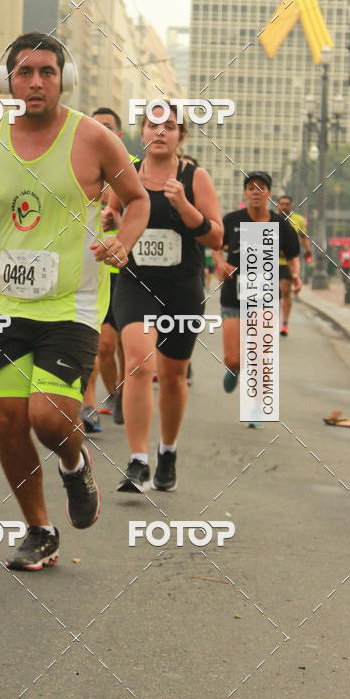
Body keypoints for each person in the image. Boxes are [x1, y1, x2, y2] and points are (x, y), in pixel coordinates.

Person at [0, 32, 149, 571]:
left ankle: (74, 466)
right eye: (24, 72)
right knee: (9, 422)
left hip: (69, 305)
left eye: (47, 72)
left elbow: (138, 199)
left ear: (63, 79)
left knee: (49, 420)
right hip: (3, 303)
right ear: (7, 81)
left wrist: (124, 239)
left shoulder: (94, 138)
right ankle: (39, 529)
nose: (35, 82)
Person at [106, 103, 223, 493]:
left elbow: (216, 237)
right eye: (153, 125)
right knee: (139, 363)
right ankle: (138, 460)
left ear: (180, 136)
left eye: (169, 126)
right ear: (142, 132)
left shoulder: (195, 177)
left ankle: (167, 451)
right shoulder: (126, 175)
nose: (160, 132)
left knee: (173, 378)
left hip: (182, 287)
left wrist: (184, 206)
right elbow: (111, 215)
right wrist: (111, 224)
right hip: (135, 283)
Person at [214, 173, 301, 403]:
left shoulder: (280, 224)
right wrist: (221, 264)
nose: (256, 192)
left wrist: (295, 275)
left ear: (269, 194)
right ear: (245, 194)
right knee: (233, 359)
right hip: (233, 294)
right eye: (251, 188)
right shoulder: (232, 220)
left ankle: (257, 408)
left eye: (261, 188)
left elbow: (293, 256)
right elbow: (215, 247)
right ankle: (234, 370)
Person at [81, 107, 128, 432]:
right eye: (96, 127)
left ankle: (122, 393)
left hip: (127, 274)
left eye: (109, 127)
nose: (102, 132)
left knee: (123, 347)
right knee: (99, 345)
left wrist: (118, 221)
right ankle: (87, 405)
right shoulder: (77, 168)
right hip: (87, 270)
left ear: (120, 135)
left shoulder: (131, 172)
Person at [276, 195, 311, 335]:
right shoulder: (270, 218)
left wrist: (308, 249)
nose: (284, 206)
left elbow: (303, 237)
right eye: (281, 204)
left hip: (288, 262)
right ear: (277, 205)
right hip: (268, 261)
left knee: (285, 291)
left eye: (286, 204)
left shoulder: (298, 220)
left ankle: (284, 324)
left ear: (291, 205)